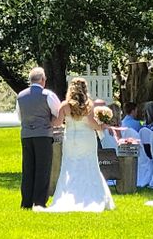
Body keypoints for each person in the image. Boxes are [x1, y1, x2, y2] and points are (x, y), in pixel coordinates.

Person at [36, 77, 114, 212]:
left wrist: (48, 118)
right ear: (84, 89)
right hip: (87, 139)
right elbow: (92, 124)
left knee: (69, 166)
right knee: (89, 165)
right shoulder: (88, 105)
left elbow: (57, 123)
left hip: (70, 139)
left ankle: (69, 195)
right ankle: (91, 196)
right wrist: (101, 126)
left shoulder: (65, 105)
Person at [16, 67, 61, 209]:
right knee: (43, 168)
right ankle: (39, 201)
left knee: (28, 168)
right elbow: (58, 112)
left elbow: (19, 116)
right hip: (43, 134)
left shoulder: (20, 96)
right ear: (42, 80)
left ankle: (26, 202)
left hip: (26, 135)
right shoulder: (48, 95)